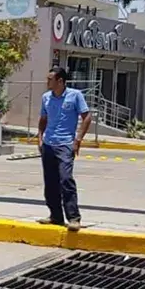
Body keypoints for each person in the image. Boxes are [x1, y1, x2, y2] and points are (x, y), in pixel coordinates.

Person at [38, 66, 91, 232]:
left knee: (66, 179)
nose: (47, 82)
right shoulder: (46, 97)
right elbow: (43, 119)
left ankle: (74, 218)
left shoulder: (75, 96)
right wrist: (40, 138)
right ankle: (55, 215)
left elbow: (87, 117)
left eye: (50, 79)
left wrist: (78, 139)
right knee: (50, 182)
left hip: (65, 144)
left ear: (60, 81)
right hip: (48, 144)